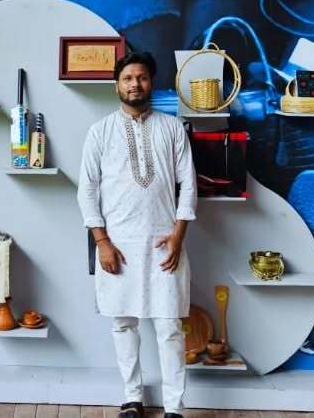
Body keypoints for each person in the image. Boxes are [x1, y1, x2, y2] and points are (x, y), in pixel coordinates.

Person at [77, 52, 197, 418]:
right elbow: (86, 190)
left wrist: (178, 235)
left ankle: (174, 407)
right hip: (118, 244)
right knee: (123, 323)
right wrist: (102, 242)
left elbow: (188, 185)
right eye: (128, 78)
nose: (135, 84)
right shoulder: (100, 132)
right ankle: (132, 399)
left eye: (142, 77)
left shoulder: (172, 128)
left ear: (151, 83)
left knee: (169, 326)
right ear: (117, 84)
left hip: (164, 242)